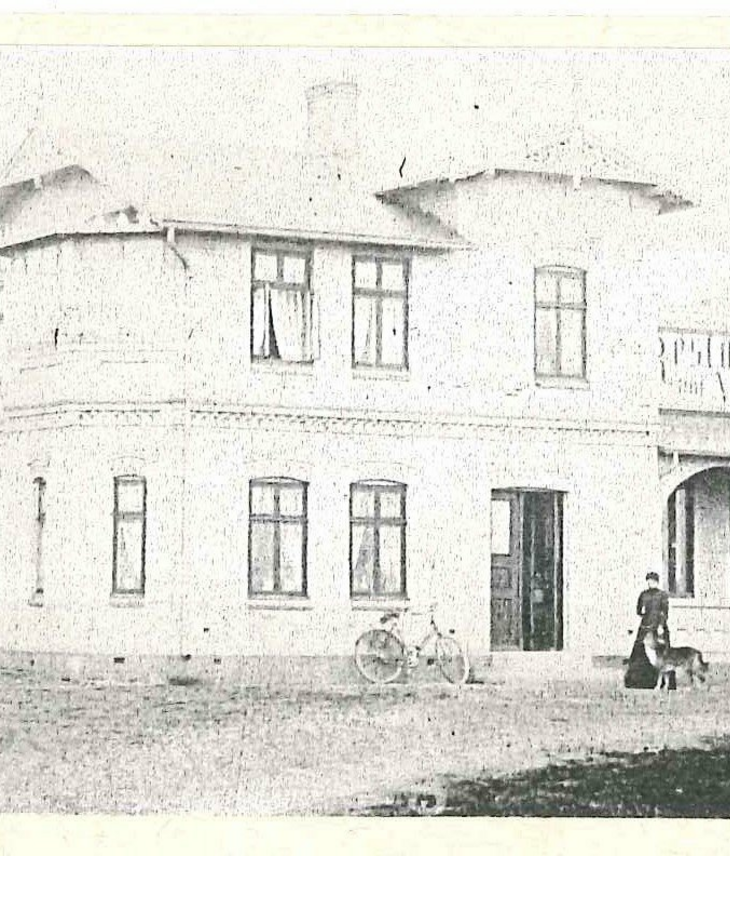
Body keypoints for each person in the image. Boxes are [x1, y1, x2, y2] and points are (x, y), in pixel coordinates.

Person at [625, 572, 674, 689]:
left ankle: (664, 682)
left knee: (663, 655)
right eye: (648, 581)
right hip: (645, 626)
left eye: (652, 581)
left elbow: (664, 612)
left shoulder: (662, 595)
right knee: (640, 651)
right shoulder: (643, 594)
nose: (650, 583)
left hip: (658, 627)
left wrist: (661, 625)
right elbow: (638, 610)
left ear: (657, 582)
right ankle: (639, 682)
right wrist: (641, 617)